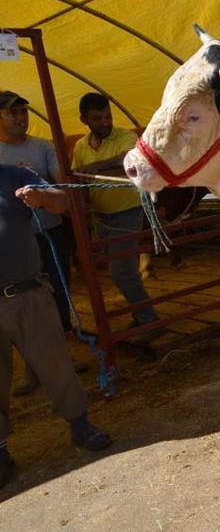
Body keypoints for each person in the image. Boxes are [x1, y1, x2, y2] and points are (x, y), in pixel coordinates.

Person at [1, 163, 111, 489]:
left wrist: (42, 197)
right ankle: (1, 453)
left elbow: (63, 201)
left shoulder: (14, 175)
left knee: (55, 365)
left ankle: (80, 426)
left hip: (26, 294)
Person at [0, 91, 84, 396]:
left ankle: (61, 361)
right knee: (18, 307)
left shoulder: (42, 147)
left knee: (57, 296)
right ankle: (33, 369)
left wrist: (47, 195)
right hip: (15, 243)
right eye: (13, 113)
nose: (21, 118)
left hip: (50, 234)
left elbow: (61, 186)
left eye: (23, 112)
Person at [71, 93, 158, 329]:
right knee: (120, 269)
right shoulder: (80, 146)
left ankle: (147, 318)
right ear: (84, 119)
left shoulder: (126, 136)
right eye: (98, 118)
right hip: (101, 215)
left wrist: (93, 167)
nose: (105, 122)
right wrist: (85, 204)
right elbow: (78, 178)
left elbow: (126, 161)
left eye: (108, 116)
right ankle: (144, 315)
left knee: (121, 271)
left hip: (126, 211)